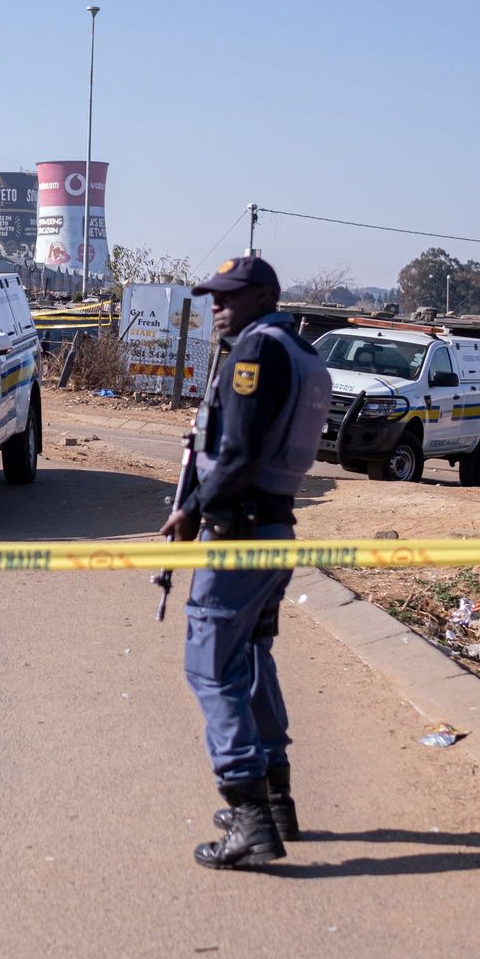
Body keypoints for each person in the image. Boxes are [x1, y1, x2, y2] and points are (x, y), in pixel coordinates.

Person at [157, 255, 330, 870]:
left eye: (228, 297)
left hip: (239, 533)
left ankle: (251, 817)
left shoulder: (256, 355)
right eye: (211, 297)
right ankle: (275, 801)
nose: (216, 307)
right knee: (250, 656)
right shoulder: (301, 351)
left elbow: (240, 452)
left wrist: (192, 510)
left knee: (209, 667)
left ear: (262, 296)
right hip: (274, 529)